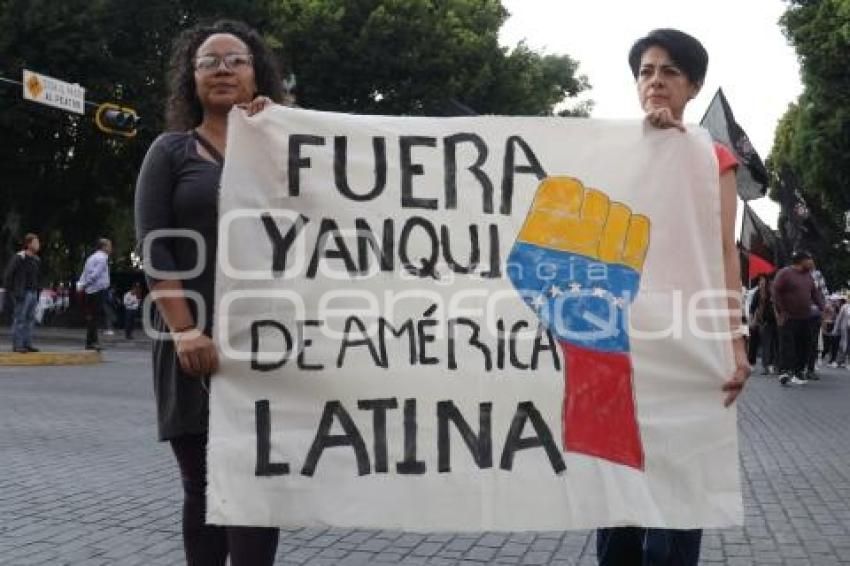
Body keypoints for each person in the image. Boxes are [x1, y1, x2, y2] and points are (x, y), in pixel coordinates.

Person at [595, 29, 750, 566]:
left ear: (693, 85)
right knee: (618, 507)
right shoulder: (609, 151)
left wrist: (735, 342)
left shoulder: (715, 159)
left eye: (670, 72)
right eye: (646, 71)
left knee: (680, 508)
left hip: (690, 346)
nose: (655, 81)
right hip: (619, 346)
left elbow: (725, 255)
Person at [135, 19, 283, 566]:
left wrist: (278, 136)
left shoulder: (285, 147)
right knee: (204, 486)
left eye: (236, 60)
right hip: (194, 343)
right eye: (208, 62)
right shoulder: (170, 152)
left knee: (259, 484)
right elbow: (155, 246)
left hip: (269, 341)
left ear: (256, 73)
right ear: (191, 80)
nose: (222, 69)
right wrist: (184, 330)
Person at [773, 251, 825, 386]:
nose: (812, 262)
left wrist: (823, 308)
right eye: (810, 260)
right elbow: (776, 290)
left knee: (805, 345)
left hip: (805, 317)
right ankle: (784, 372)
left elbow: (815, 294)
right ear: (802, 261)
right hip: (788, 316)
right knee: (787, 345)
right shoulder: (785, 273)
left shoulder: (808, 276)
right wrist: (780, 311)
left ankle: (798, 372)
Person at [3, 233, 41, 353]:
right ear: (29, 244)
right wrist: (12, 291)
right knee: (20, 318)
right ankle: (18, 344)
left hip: (33, 292)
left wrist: (38, 291)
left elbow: (37, 277)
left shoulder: (36, 259)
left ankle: (27, 343)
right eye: (35, 242)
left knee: (30, 319)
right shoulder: (20, 257)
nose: (38, 245)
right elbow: (9, 274)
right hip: (22, 292)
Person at [78, 238, 112, 350]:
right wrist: (86, 284)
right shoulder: (103, 258)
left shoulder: (91, 257)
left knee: (92, 317)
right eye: (109, 246)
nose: (111, 248)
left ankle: (93, 341)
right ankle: (91, 342)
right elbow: (95, 275)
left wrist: (81, 284)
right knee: (95, 317)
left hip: (90, 291)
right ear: (103, 247)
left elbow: (85, 272)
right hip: (98, 290)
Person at [748, 274, 778, 374]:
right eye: (760, 280)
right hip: (758, 320)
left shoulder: (771, 293)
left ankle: (768, 365)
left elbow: (775, 307)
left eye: (763, 280)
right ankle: (751, 363)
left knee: (768, 343)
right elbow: (752, 308)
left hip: (770, 321)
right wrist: (751, 320)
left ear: (767, 281)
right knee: (753, 341)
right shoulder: (757, 293)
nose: (761, 282)